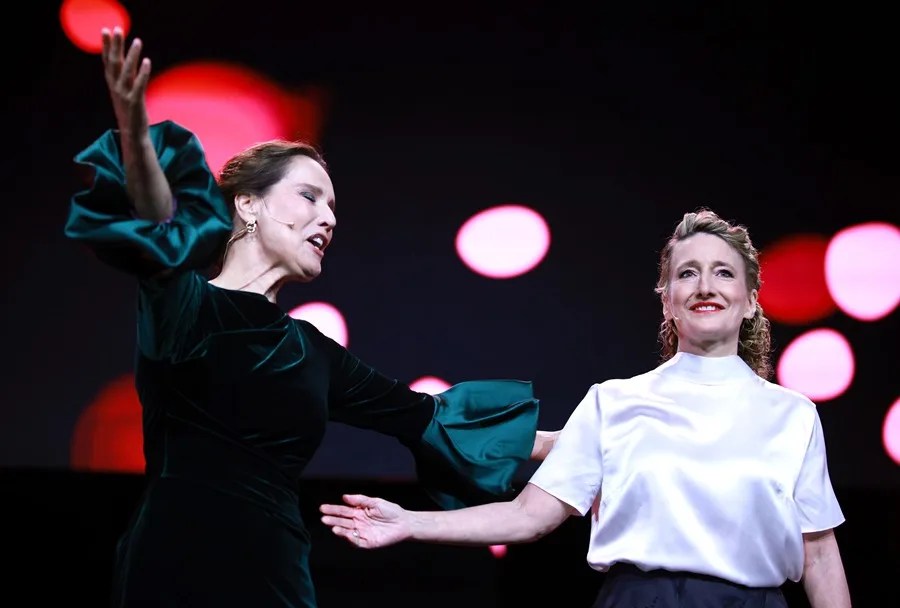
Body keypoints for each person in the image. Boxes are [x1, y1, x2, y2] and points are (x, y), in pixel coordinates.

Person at [64, 27, 560, 608]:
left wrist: (603, 438)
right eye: (309, 197)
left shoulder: (312, 351)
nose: (327, 217)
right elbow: (157, 224)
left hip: (273, 574)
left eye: (332, 206)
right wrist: (133, 135)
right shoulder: (186, 304)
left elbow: (429, 420)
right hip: (174, 565)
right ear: (248, 203)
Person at [320, 208, 852, 607]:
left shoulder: (793, 415)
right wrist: (411, 522)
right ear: (665, 297)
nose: (705, 286)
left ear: (752, 299)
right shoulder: (614, 401)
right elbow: (529, 518)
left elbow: (820, 556)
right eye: (687, 273)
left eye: (723, 273)